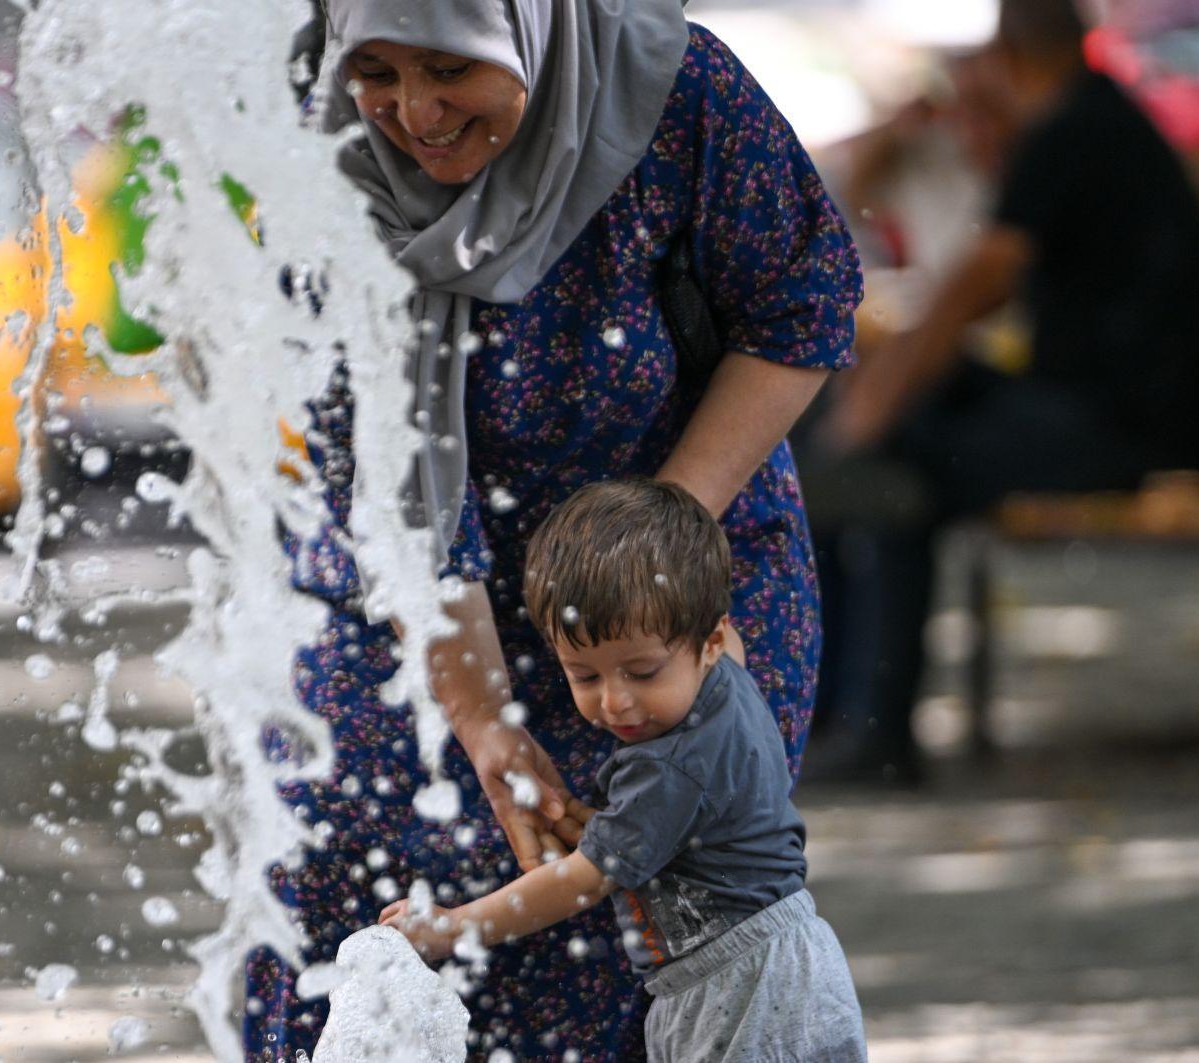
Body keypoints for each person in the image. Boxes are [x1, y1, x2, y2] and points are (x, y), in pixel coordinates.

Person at [247, 0, 862, 1057]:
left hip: (667, 575)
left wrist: (646, 550)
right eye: (378, 71)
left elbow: (802, 302)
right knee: (337, 893)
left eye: (451, 68)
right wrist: (483, 722)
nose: (416, 112)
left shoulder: (672, 88)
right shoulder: (322, 143)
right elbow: (381, 473)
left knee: (607, 942)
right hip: (412, 587)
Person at [803, 0, 1199, 783]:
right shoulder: (1095, 119)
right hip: (1104, 404)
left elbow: (980, 283)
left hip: (1130, 430)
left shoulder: (1073, 131)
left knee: (901, 462)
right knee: (886, 426)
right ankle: (832, 712)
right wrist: (881, 393)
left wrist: (880, 401)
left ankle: (870, 729)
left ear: (1009, 54)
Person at [381, 479, 867, 1062]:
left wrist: (454, 928)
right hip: (770, 966)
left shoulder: (673, 767)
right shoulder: (720, 670)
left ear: (708, 640)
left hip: (740, 989)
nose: (614, 702)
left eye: (640, 672)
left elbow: (581, 881)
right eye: (585, 676)